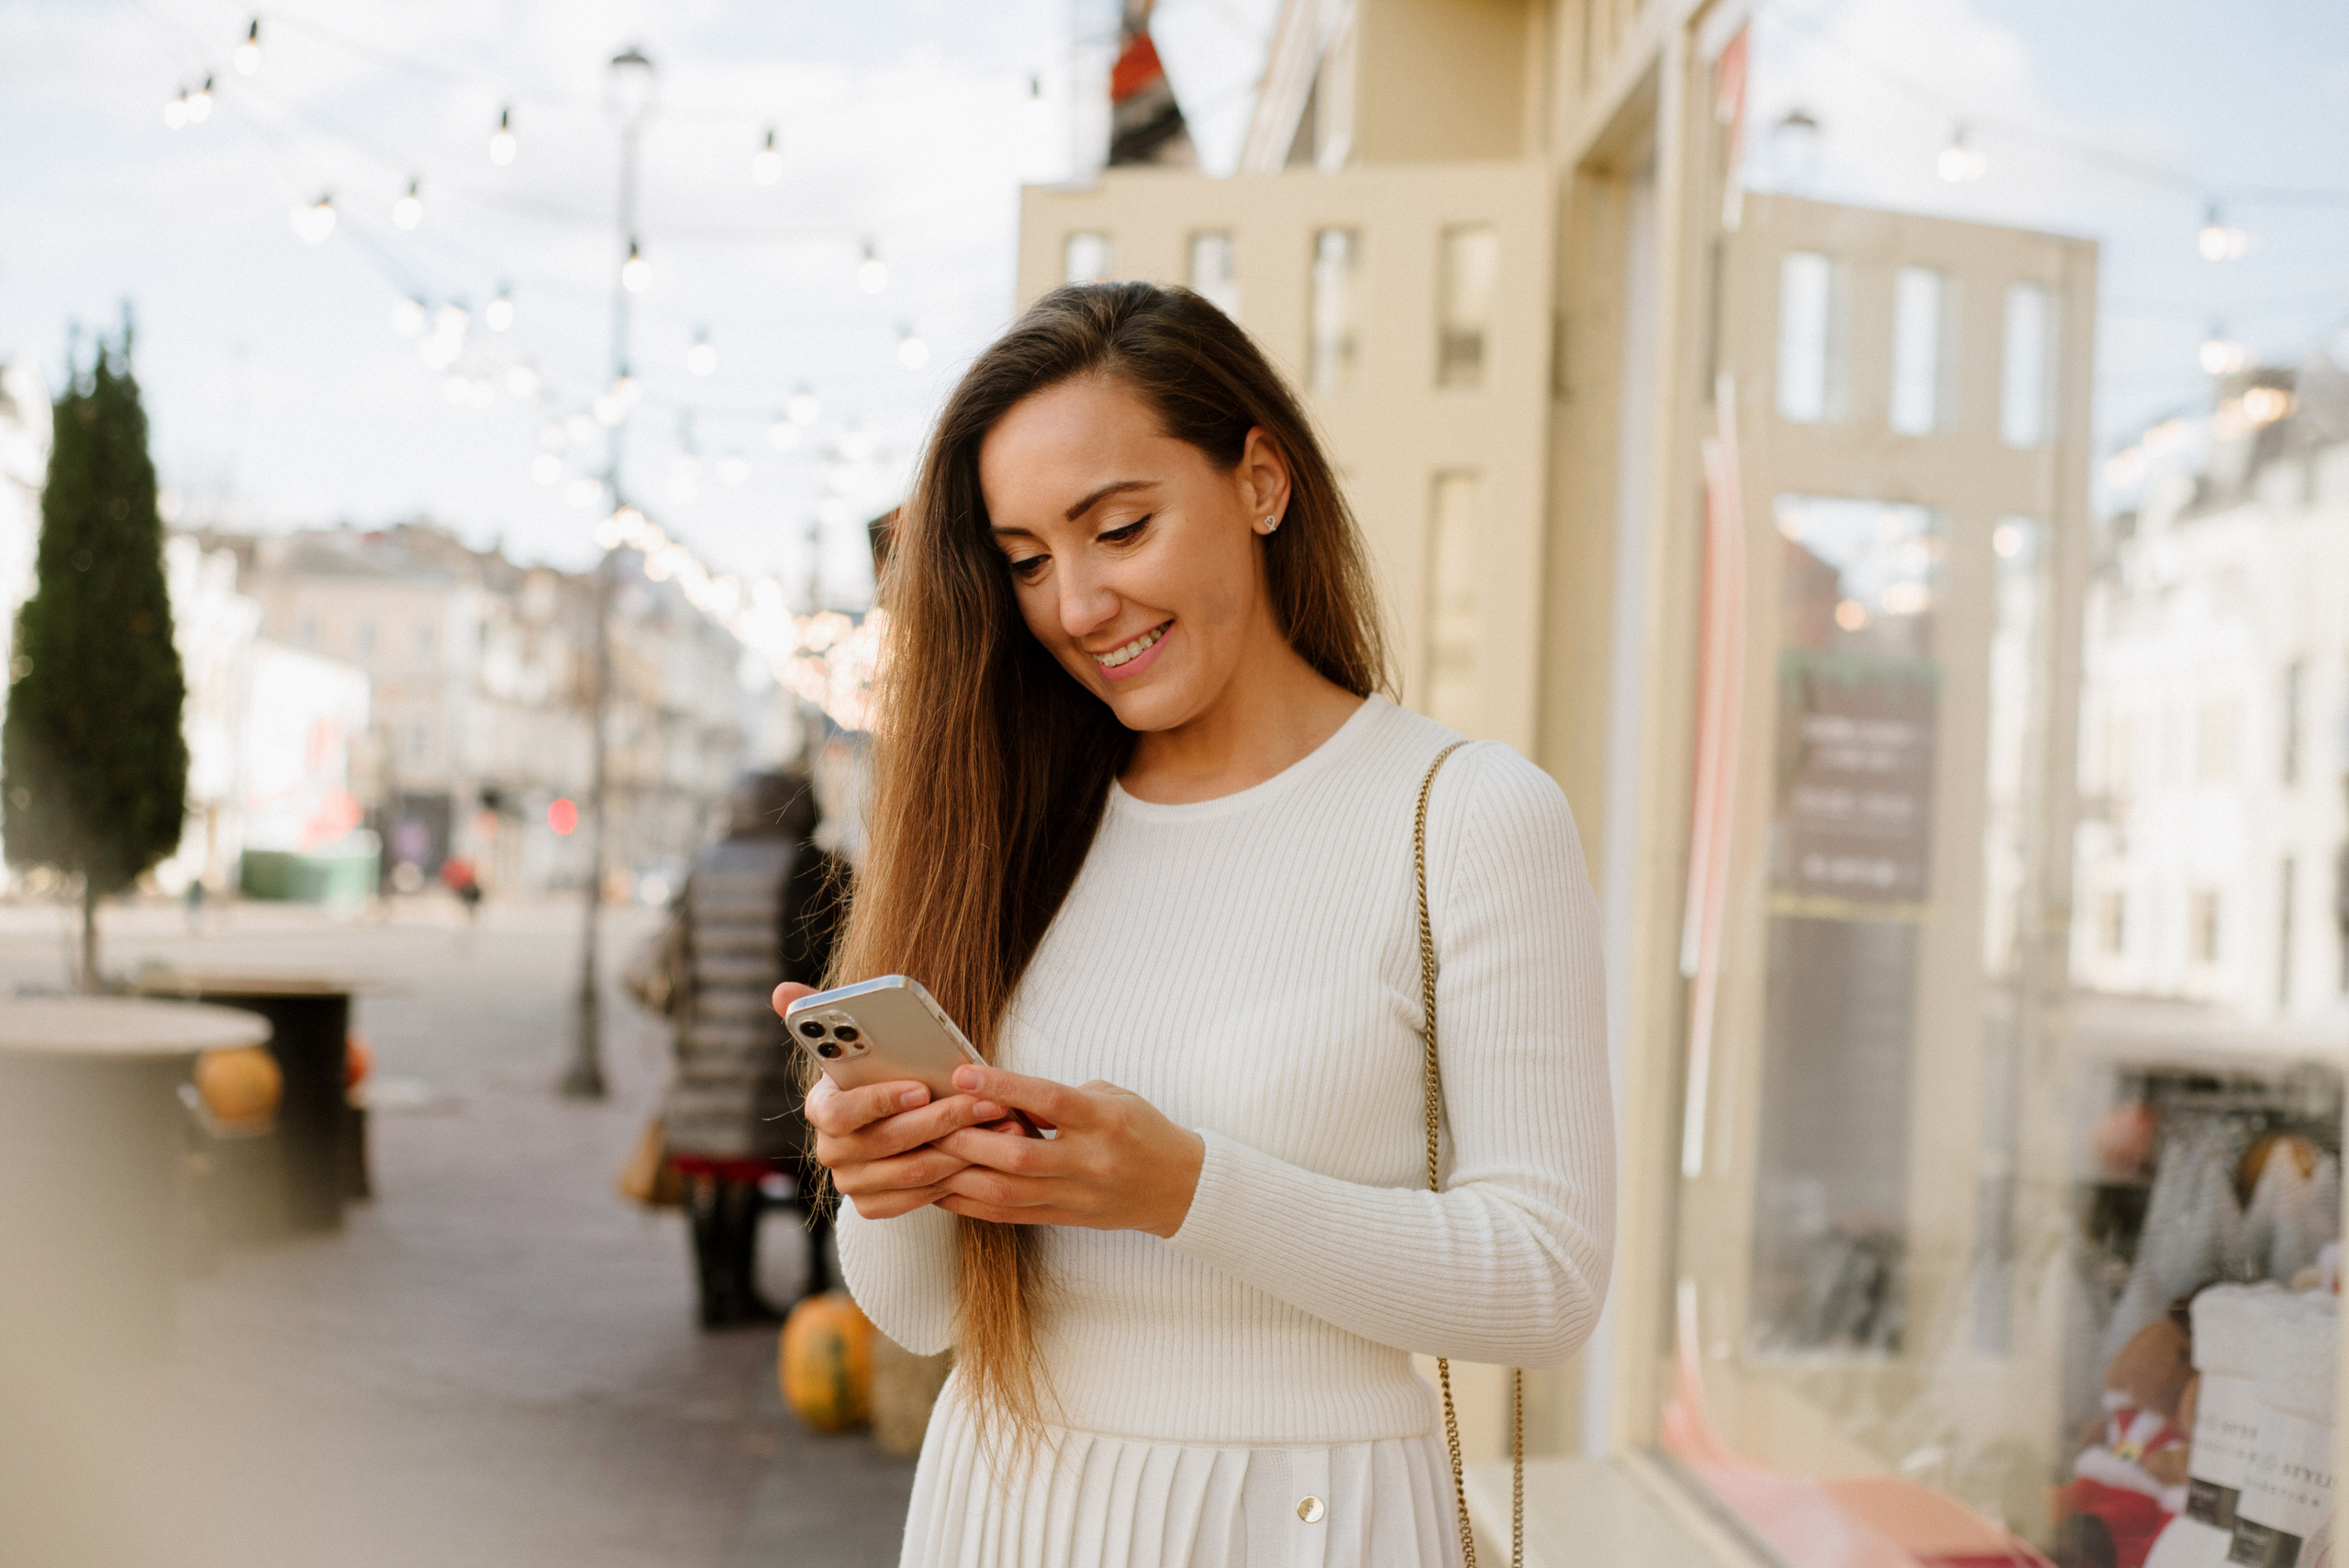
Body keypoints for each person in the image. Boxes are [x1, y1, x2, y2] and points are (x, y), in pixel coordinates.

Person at [780, 282, 1614, 1566]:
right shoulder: (1002, 827)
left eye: (1119, 527)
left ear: (1262, 481)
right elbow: (923, 1318)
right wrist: (886, 1180)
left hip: (1312, 1517)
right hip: (1005, 1506)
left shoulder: (1465, 815)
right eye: (1026, 561)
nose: (1076, 604)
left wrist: (1185, 1190)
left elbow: (1548, 1279)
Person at [663, 769, 847, 1329]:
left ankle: (718, 1296)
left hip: (704, 1045)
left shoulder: (705, 864)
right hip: (778, 1050)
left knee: (716, 1171)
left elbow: (677, 957)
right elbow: (822, 959)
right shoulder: (812, 865)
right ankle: (814, 1283)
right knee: (807, 1167)